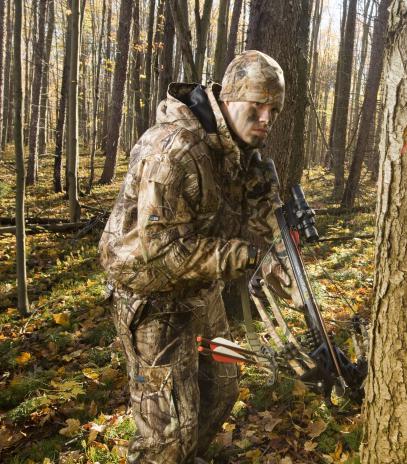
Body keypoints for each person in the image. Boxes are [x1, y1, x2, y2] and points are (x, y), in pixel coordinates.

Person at [99, 50, 291, 463]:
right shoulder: (174, 149)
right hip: (151, 298)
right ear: (229, 98)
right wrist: (245, 255)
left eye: (273, 109)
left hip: (200, 290)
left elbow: (260, 216)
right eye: (257, 106)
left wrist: (277, 256)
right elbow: (160, 251)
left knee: (222, 387)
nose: (265, 118)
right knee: (166, 435)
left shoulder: (241, 152)